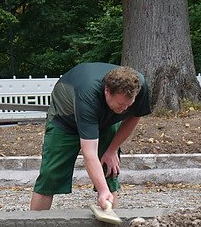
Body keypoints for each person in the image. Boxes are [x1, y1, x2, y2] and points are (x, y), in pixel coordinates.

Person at [30, 62, 151, 211]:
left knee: (109, 170)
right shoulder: (88, 94)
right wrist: (102, 190)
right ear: (107, 90)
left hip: (105, 120)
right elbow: (89, 152)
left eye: (128, 104)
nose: (124, 109)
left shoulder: (140, 86)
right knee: (50, 176)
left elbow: (134, 116)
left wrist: (112, 150)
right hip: (65, 120)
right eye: (120, 104)